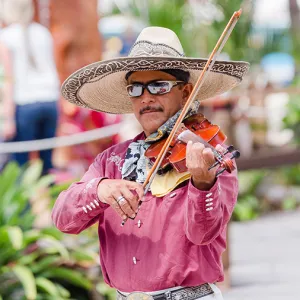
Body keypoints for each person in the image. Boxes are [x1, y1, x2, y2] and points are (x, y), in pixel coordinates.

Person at [52, 27, 249, 299]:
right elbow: (64, 219)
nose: (146, 97)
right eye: (136, 89)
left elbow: (204, 234)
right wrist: (100, 190)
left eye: (159, 86)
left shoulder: (209, 155)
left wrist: (203, 184)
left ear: (186, 92)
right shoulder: (111, 161)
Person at [0, 0, 60, 174]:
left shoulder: (5, 36)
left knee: (20, 167)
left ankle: (26, 202)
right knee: (47, 166)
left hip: (24, 105)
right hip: (49, 102)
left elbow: (8, 80)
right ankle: (53, 200)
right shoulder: (43, 33)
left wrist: (7, 118)